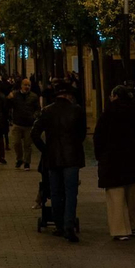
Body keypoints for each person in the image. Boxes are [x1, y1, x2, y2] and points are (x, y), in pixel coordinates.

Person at [95, 85, 135, 240]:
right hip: (132, 158)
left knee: (116, 195)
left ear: (115, 96)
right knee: (131, 194)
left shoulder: (108, 113)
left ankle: (121, 230)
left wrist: (100, 156)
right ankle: (132, 225)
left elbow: (99, 137)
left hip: (113, 159)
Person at [32, 83, 88, 242]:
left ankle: (58, 224)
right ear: (69, 96)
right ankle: (68, 224)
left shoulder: (47, 111)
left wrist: (45, 149)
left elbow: (35, 133)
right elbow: (82, 134)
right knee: (71, 192)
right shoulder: (77, 111)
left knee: (55, 191)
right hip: (72, 158)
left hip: (53, 157)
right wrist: (75, 145)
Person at [7, 78, 40, 169]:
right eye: (25, 85)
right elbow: (8, 106)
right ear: (21, 85)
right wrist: (9, 99)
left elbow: (38, 109)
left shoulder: (33, 96)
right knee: (16, 143)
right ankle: (19, 158)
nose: (27, 87)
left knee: (28, 144)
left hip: (29, 124)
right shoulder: (15, 95)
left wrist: (34, 116)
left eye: (28, 85)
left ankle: (27, 162)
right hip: (18, 123)